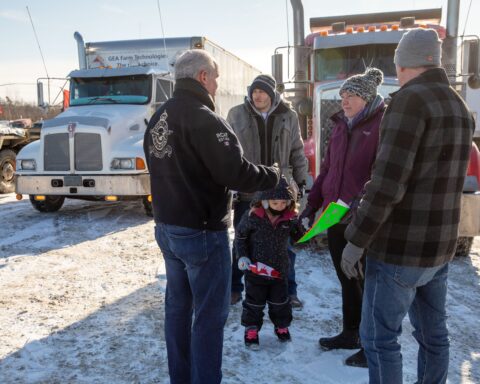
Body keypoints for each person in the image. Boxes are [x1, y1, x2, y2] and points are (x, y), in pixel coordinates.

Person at [340, 28, 475, 384]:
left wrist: (356, 238)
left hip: (399, 248)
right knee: (433, 336)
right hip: (440, 248)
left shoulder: (409, 101)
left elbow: (387, 183)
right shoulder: (458, 104)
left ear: (401, 64)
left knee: (378, 339)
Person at [143, 49, 279, 384]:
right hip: (202, 232)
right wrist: (273, 175)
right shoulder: (204, 118)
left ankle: (182, 377)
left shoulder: (160, 116)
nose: (218, 84)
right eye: (215, 77)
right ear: (203, 76)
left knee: (178, 308)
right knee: (208, 316)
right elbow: (236, 173)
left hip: (168, 230)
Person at [299, 67, 385, 368]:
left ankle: (371, 343)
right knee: (346, 277)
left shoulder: (380, 126)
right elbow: (328, 171)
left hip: (363, 218)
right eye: (342, 95)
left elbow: (380, 176)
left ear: (366, 97)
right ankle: (351, 333)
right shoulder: (339, 126)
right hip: (336, 214)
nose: (343, 100)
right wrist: (312, 204)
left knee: (365, 282)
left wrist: (358, 206)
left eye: (350, 96)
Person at [227, 74, 308, 307]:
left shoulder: (288, 116)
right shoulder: (236, 114)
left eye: (262, 91)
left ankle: (289, 290)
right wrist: (230, 184)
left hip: (279, 189)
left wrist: (301, 183)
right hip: (248, 188)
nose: (257, 95)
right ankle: (234, 287)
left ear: (272, 95)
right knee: (242, 239)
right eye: (254, 91)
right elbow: (228, 153)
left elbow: (297, 150)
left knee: (284, 243)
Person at [235, 176, 304, 349]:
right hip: (255, 269)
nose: (280, 207)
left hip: (279, 270)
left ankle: (281, 326)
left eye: (284, 203)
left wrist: (305, 230)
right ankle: (251, 330)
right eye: (275, 203)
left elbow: (298, 238)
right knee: (254, 302)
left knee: (280, 302)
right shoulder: (253, 217)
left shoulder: (289, 219)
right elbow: (240, 237)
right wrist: (242, 256)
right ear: (264, 201)